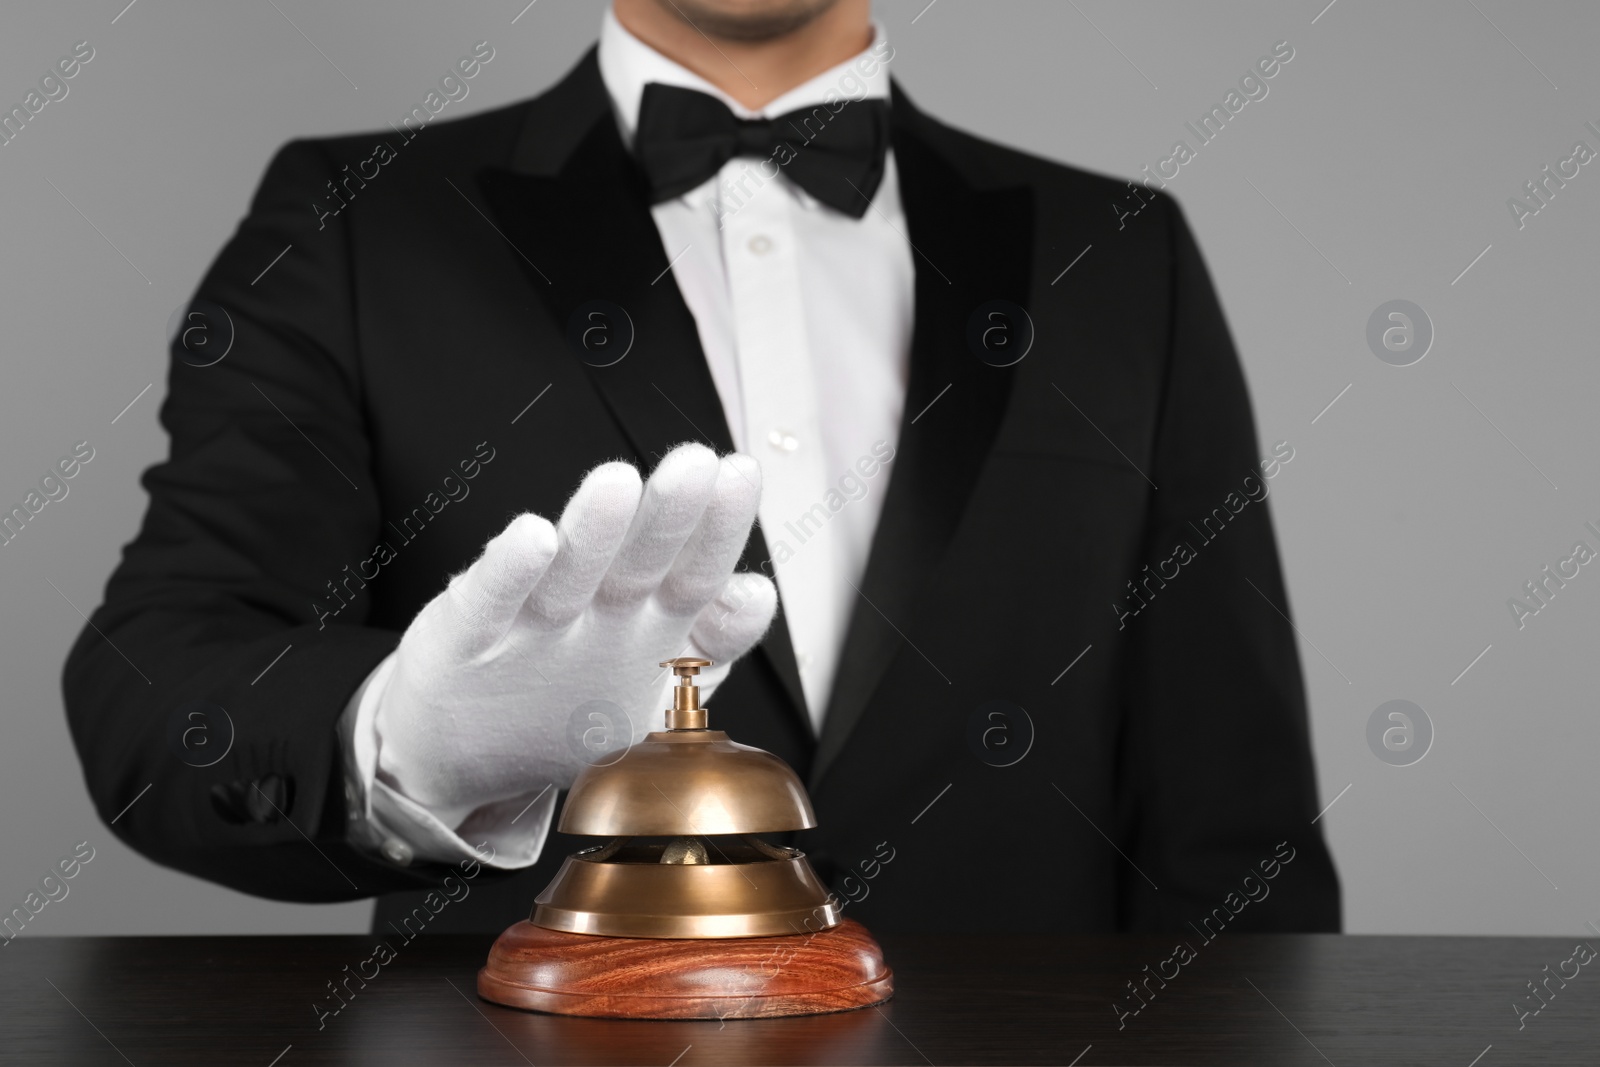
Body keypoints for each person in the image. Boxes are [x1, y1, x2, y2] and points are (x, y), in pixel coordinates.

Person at [64, 0, 1339, 935]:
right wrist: (407, 742)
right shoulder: (360, 217)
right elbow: (153, 685)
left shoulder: (1121, 255)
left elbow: (1235, 829)